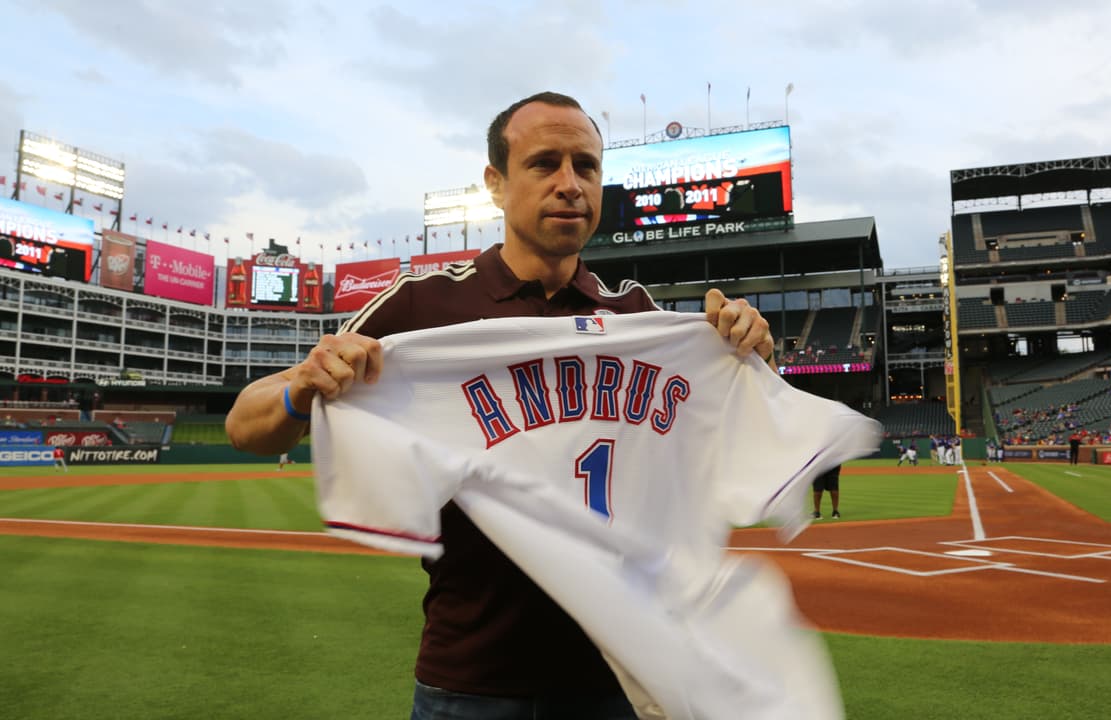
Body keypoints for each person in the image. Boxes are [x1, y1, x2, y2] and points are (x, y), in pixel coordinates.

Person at [225, 92, 778, 719]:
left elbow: (744, 428)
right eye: (545, 163)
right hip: (470, 677)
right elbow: (247, 426)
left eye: (586, 166)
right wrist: (304, 385)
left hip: (618, 676)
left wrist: (751, 351)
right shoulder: (423, 306)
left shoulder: (635, 317)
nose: (570, 184)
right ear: (495, 183)